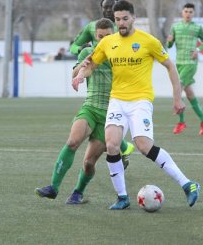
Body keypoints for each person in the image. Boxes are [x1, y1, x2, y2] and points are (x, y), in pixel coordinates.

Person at [72, 0, 200, 210]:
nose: (121, 23)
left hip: (140, 100)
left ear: (133, 18)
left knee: (143, 145)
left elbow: (170, 66)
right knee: (111, 144)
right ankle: (122, 197)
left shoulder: (148, 41)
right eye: (117, 20)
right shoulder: (108, 42)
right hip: (117, 101)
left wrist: (177, 97)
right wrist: (80, 76)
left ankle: (188, 184)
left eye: (124, 19)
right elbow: (91, 65)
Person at [35, 18, 135, 204]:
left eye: (107, 36)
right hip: (90, 107)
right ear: (95, 36)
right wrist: (82, 67)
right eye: (99, 36)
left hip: (110, 115)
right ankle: (53, 187)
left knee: (89, 163)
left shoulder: (121, 55)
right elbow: (74, 73)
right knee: (73, 141)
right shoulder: (89, 52)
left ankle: (77, 192)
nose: (102, 40)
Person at [166, 3, 203, 136]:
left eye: (191, 12)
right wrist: (169, 41)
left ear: (193, 14)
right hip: (178, 63)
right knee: (189, 93)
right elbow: (169, 44)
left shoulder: (197, 28)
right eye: (186, 11)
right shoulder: (176, 27)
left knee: (178, 87)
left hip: (190, 63)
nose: (188, 14)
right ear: (182, 12)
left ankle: (181, 122)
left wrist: (198, 50)